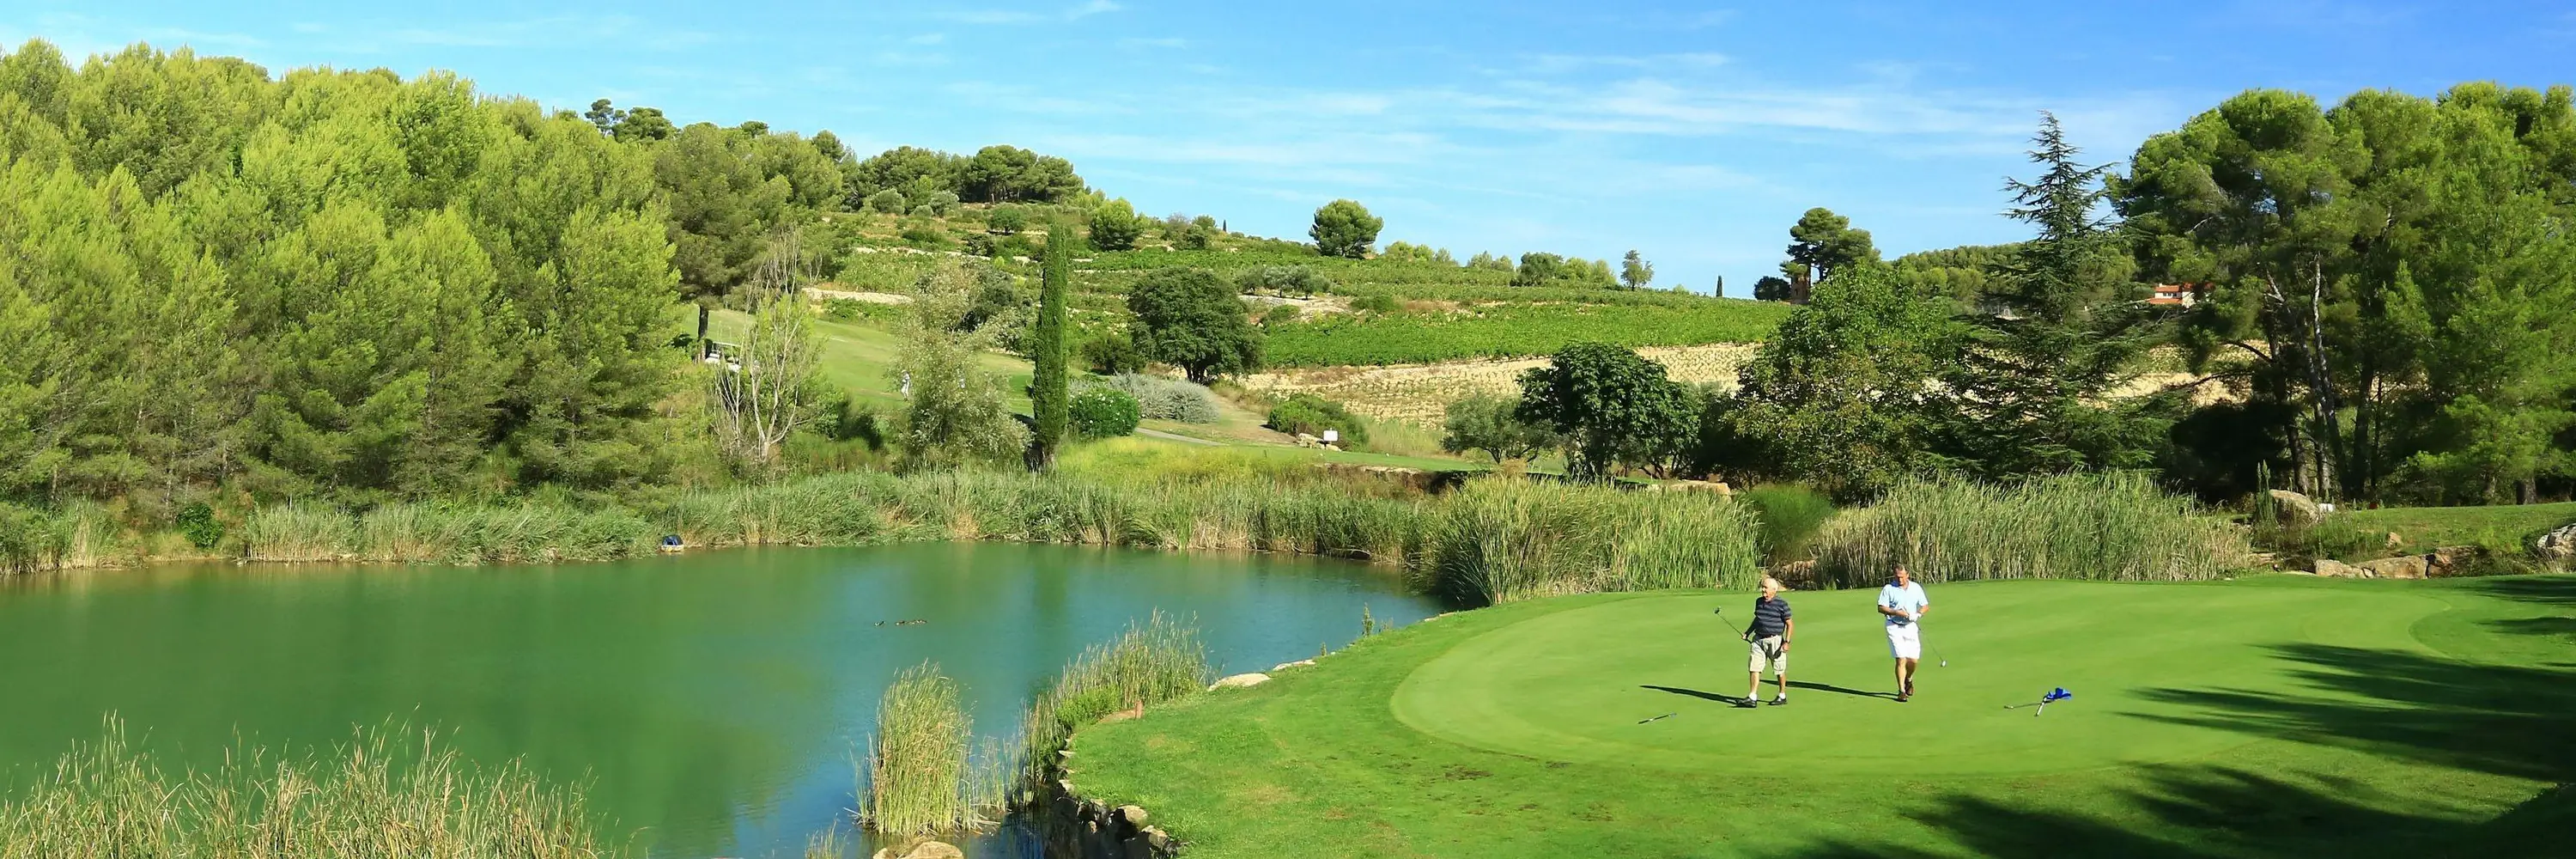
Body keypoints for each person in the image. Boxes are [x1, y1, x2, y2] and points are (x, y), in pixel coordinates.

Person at [1876, 564, 1930, 702]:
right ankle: (1901, 691)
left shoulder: (1915, 588)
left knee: (1913, 660)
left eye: (1902, 577)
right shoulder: (1889, 588)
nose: (1899, 580)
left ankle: (1909, 679)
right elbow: (1881, 608)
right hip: (1893, 626)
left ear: (1908, 575)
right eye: (1897, 577)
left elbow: (1925, 606)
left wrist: (1917, 614)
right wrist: (1896, 612)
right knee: (1901, 658)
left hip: (1910, 626)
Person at [1739, 576, 1794, 708]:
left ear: (1774, 590)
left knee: (1779, 669)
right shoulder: (1759, 602)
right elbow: (1758, 619)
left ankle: (1782, 695)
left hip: (1775, 640)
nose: (1763, 590)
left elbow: (1790, 624)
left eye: (1766, 588)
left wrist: (1787, 642)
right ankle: (1752, 697)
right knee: (1754, 667)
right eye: (1762, 587)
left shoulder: (1782, 604)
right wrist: (1748, 632)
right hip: (1758, 640)